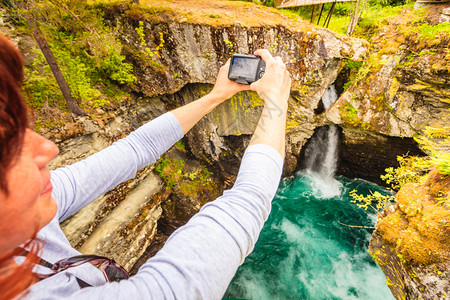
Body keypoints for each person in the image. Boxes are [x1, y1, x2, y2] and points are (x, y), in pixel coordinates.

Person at [0, 33, 291, 299]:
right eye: (7, 147)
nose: (48, 149)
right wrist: (276, 103)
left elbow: (135, 149)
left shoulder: (31, 206)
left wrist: (218, 94)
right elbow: (249, 201)